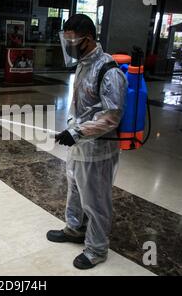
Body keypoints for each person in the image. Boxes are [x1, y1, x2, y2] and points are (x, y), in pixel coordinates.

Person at [48, 14, 127, 270]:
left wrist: (79, 132)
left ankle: (96, 249)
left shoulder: (108, 69)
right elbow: (83, 106)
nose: (69, 45)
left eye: (72, 39)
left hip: (99, 148)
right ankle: (74, 228)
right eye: (66, 39)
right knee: (74, 188)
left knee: (95, 199)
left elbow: (111, 117)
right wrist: (73, 130)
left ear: (88, 39)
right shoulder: (83, 63)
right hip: (81, 143)